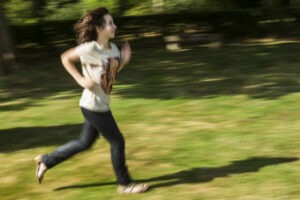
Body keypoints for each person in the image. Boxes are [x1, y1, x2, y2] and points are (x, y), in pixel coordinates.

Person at [34, 7, 148, 194]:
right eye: (110, 23)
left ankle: (46, 160)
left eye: (113, 22)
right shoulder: (89, 49)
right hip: (94, 106)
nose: (114, 26)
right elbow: (65, 58)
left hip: (99, 103)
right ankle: (125, 184)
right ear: (99, 28)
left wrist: (124, 60)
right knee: (117, 141)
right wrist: (79, 79)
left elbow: (110, 72)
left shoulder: (113, 49)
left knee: (84, 143)